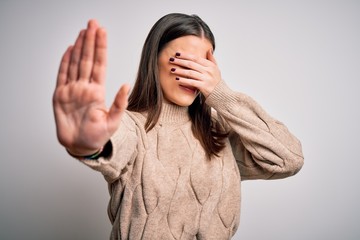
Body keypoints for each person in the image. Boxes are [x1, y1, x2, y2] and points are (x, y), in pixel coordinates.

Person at [53, 13, 304, 240]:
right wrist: (89, 145)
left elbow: (289, 159)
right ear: (154, 59)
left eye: (202, 65)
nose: (192, 74)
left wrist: (221, 95)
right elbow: (113, 143)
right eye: (182, 61)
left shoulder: (219, 133)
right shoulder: (133, 128)